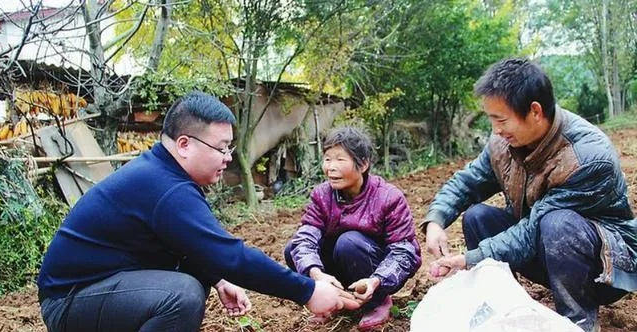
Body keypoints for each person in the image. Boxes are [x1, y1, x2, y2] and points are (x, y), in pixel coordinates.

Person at [37, 92, 358, 332]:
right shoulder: (166, 188)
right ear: (185, 145)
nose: (227, 158)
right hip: (69, 302)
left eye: (229, 148)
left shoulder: (162, 175)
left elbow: (191, 247)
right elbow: (232, 256)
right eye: (221, 148)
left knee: (191, 282)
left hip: (95, 290)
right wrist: (308, 291)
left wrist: (216, 278)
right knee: (182, 295)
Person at [423, 58, 637, 332]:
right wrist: (436, 220)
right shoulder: (503, 144)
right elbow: (468, 181)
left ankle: (578, 322)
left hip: (603, 271)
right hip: (547, 254)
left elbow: (534, 227)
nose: (496, 130)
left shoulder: (588, 158)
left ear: (535, 111)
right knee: (477, 217)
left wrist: (469, 258)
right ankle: (503, 307)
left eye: (500, 120)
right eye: (491, 120)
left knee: (557, 224)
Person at [284, 126, 422, 330]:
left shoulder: (388, 197)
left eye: (340, 159)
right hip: (337, 268)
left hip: (375, 269)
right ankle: (333, 300)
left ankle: (378, 302)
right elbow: (305, 238)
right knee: (292, 249)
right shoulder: (322, 195)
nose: (330, 167)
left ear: (363, 164)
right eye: (328, 159)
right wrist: (316, 274)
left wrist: (376, 281)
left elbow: (405, 251)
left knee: (348, 242)